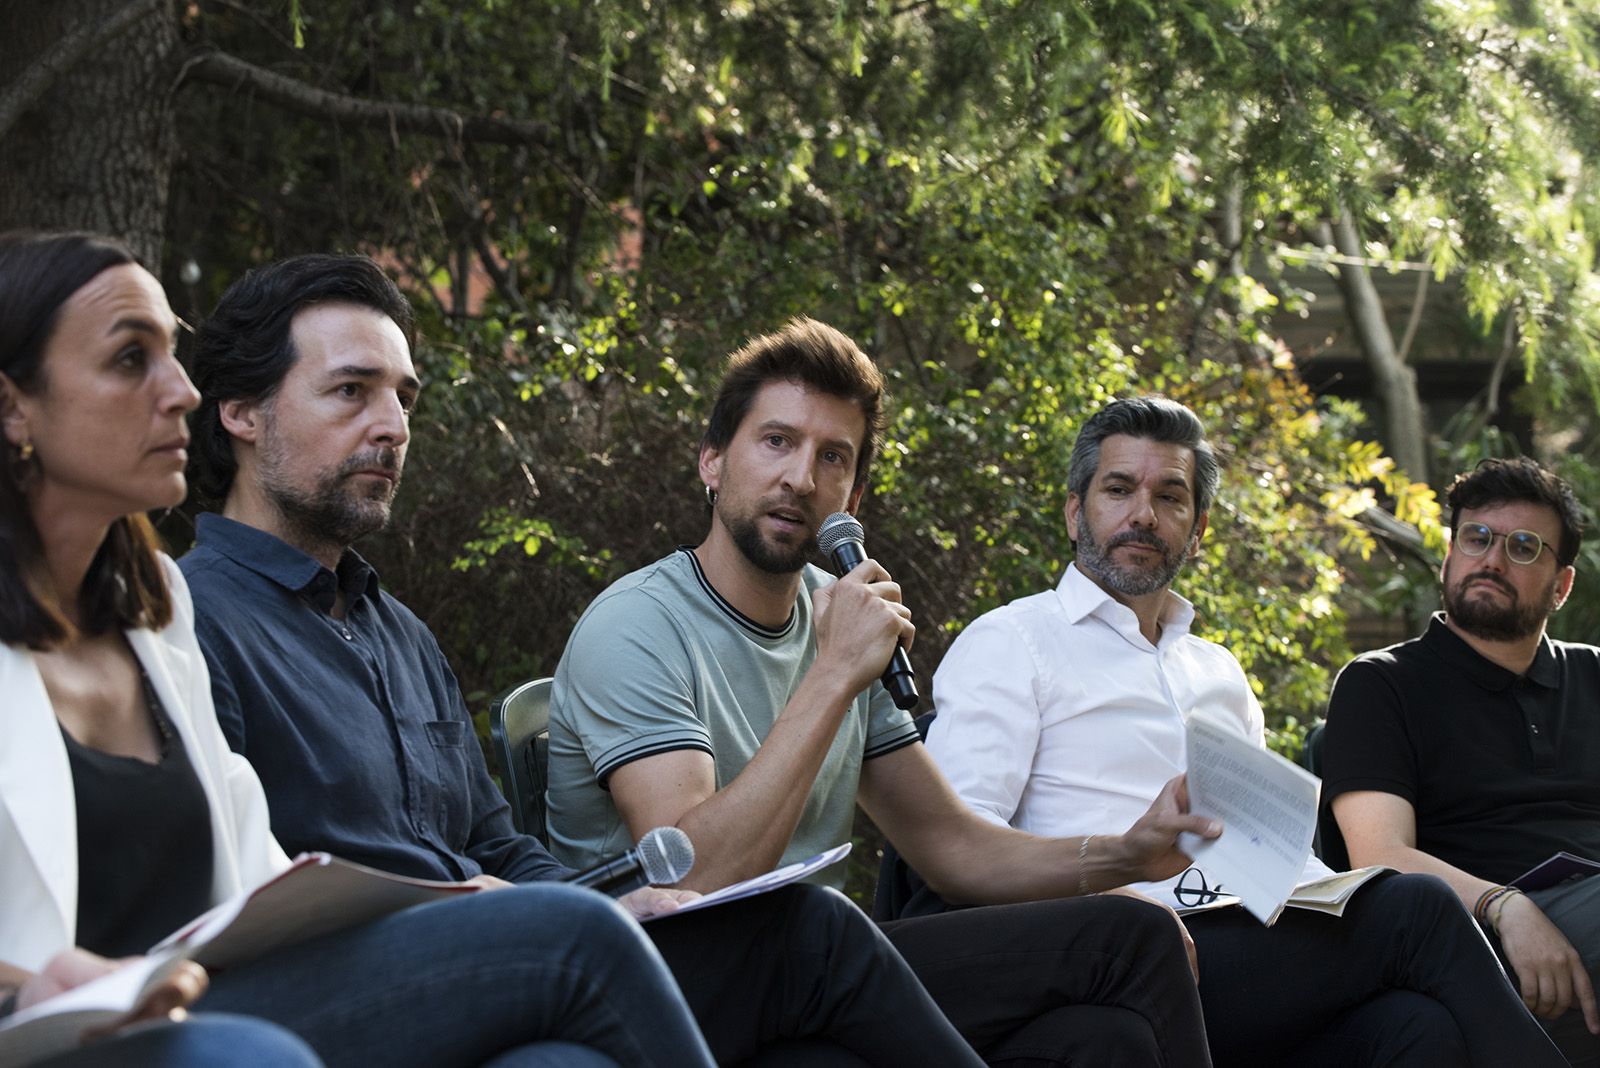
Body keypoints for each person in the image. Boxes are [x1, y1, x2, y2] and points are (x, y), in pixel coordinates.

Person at [179, 254, 982, 1068]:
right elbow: (220, 890)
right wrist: (504, 907)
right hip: (336, 990)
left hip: (500, 964)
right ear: (242, 411)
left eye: (404, 397)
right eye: (352, 391)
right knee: (808, 932)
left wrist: (622, 897)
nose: (392, 424)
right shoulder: (193, 621)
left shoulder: (398, 632)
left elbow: (498, 845)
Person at [0, 230, 717, 1068]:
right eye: (131, 360)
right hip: (72, 1034)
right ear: (14, 405)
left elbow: (262, 877)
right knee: (571, 939)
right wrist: (28, 987)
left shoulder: (157, 623)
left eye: (405, 397)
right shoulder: (216, 612)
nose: (182, 391)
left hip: (214, 991)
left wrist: (476, 900)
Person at [548, 319, 1222, 1068]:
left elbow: (954, 850)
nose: (801, 478)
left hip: (816, 973)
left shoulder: (833, 612)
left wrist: (1127, 854)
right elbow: (696, 881)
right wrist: (834, 674)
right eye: (777, 441)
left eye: (831, 457)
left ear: (853, 495)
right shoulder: (639, 625)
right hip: (673, 990)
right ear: (712, 461)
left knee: (1110, 1020)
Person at [920, 394, 1567, 1067]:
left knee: (1416, 1028)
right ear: (1073, 512)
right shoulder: (1012, 642)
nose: (1143, 513)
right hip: (1118, 956)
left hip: (1250, 945)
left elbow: (1266, 853)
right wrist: (1107, 901)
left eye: (1170, 497)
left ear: (1198, 532)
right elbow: (962, 849)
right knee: (1420, 909)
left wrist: (1320, 882)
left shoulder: (1218, 672)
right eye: (1119, 489)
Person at [1324, 456, 1600, 1066]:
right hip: (1471, 930)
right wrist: (1508, 905)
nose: (1493, 560)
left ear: (1562, 585)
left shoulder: (1595, 674)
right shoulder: (1381, 683)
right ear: (1450, 555)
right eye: (1477, 538)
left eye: (1525, 547)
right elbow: (1381, 856)